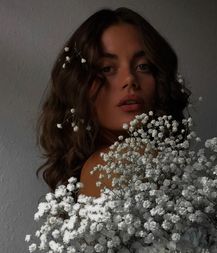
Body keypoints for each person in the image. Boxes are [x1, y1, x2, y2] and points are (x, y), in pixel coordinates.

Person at [36, 7, 191, 197]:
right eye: (107, 68)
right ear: (78, 84)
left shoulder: (102, 166)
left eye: (143, 66)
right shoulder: (116, 163)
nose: (130, 80)